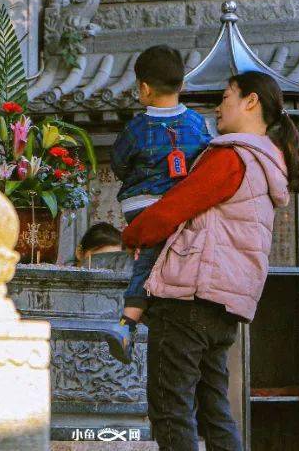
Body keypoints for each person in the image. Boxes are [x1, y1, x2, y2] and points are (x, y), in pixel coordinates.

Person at [121, 71, 299, 451]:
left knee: (170, 405)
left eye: (226, 96)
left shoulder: (232, 156)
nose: (218, 107)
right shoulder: (266, 164)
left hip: (190, 297)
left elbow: (175, 206)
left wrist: (131, 234)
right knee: (214, 411)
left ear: (251, 101)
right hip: (224, 306)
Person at [111, 45, 212, 362]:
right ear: (182, 85)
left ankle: (128, 323)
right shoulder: (197, 124)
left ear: (143, 87)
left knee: (149, 258)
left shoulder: (136, 128)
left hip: (140, 205)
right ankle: (132, 321)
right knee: (154, 259)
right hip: (179, 208)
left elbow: (118, 164)